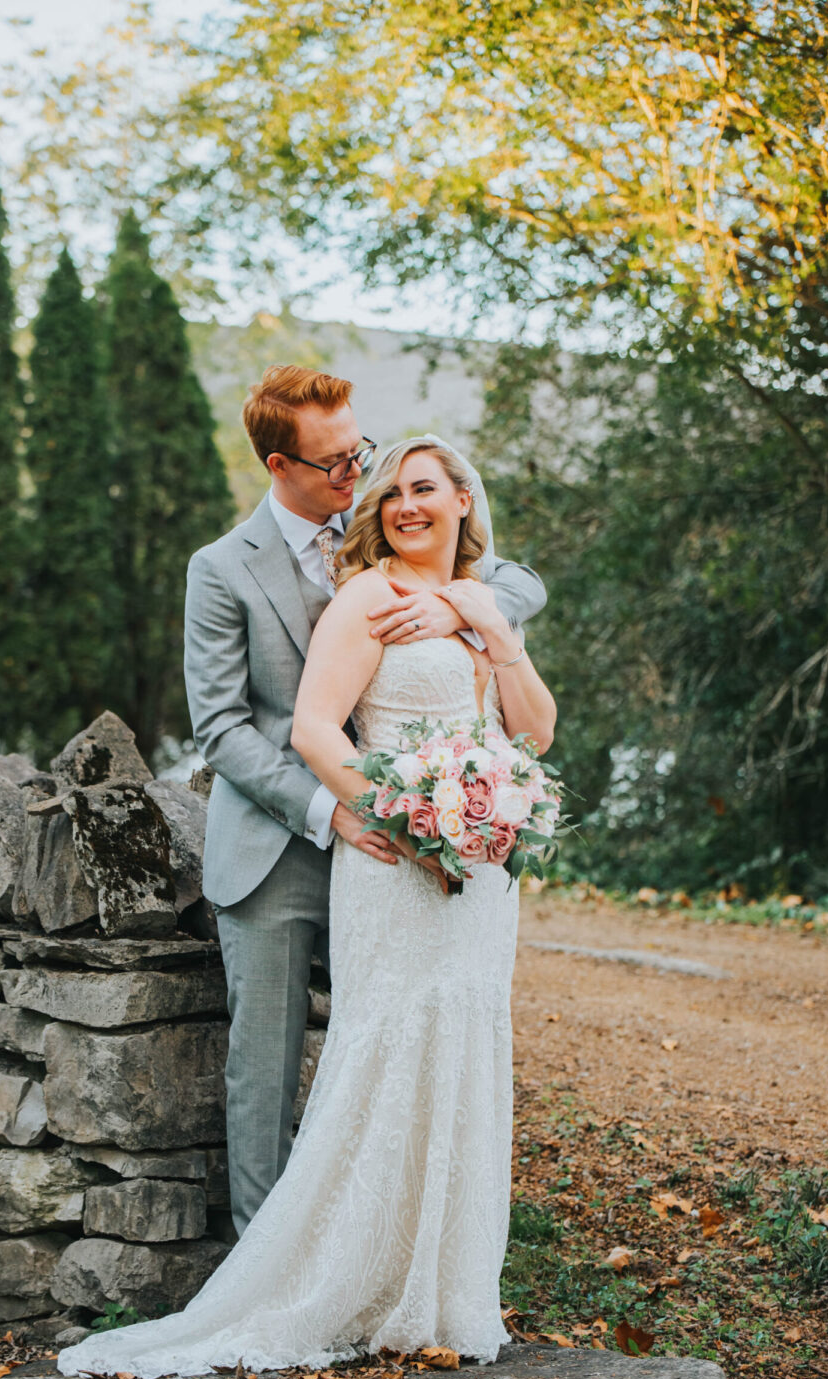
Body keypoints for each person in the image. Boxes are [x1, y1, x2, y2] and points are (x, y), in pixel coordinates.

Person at [57, 433, 556, 1379]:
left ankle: (440, 1287)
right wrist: (393, 812)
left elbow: (530, 731)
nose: (404, 504)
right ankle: (332, 1279)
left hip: (481, 875)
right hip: (392, 858)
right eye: (391, 491)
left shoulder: (484, 599)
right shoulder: (366, 594)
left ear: (461, 500)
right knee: (385, 1047)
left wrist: (495, 628)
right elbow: (312, 728)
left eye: (423, 488)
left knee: (461, 1047)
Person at [178, 365, 544, 1240]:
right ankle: (263, 1265)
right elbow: (223, 729)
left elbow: (516, 579)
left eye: (360, 451)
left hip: (408, 859)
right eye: (336, 463)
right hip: (279, 846)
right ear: (281, 466)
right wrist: (334, 810)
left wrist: (460, 613)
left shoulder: (395, 517)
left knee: (406, 1039)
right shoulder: (223, 568)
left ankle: (393, 1247)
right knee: (264, 1071)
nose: (357, 474)